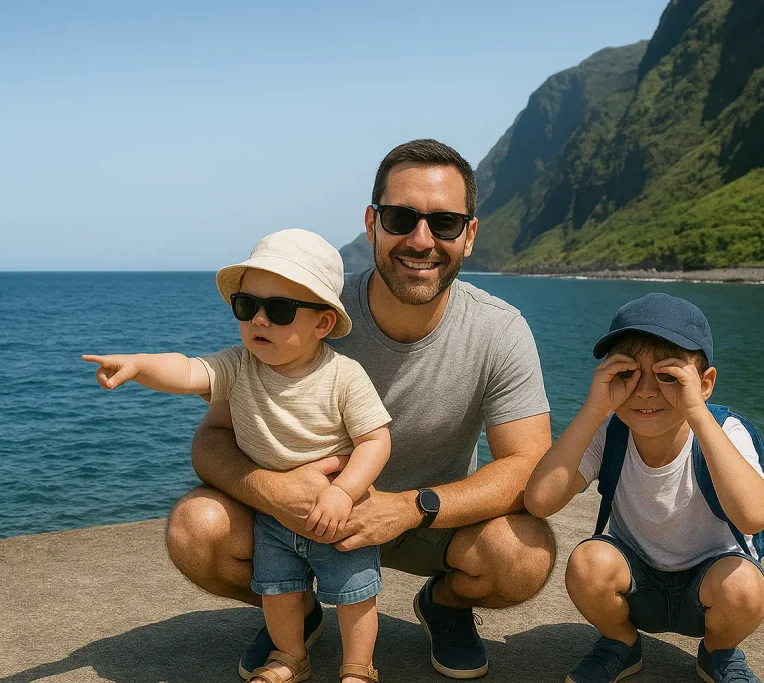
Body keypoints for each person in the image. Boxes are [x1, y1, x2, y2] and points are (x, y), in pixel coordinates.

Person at [165, 139, 556, 680]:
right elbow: (212, 440)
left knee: (524, 553)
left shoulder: (498, 330)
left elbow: (528, 466)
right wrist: (269, 491)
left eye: (444, 223)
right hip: (301, 520)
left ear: (469, 234)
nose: (421, 241)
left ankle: (445, 605)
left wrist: (409, 507)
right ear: (372, 224)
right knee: (195, 528)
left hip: (424, 523)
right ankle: (295, 614)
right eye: (401, 218)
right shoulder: (305, 309)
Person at [82, 229, 392, 683]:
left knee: (355, 594)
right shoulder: (238, 366)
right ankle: (291, 656)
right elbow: (188, 369)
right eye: (247, 306)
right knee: (279, 592)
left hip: (338, 512)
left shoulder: (343, 376)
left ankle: (359, 668)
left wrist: (345, 492)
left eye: (280, 310)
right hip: (272, 514)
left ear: (323, 324)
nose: (259, 320)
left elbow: (376, 440)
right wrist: (140, 365)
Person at [525, 293, 764, 683]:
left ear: (705, 383)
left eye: (668, 376)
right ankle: (620, 643)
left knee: (745, 585)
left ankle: (719, 652)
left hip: (711, 584)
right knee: (587, 563)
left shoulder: (726, 432)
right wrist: (595, 408)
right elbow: (540, 501)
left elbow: (755, 516)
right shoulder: (611, 433)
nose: (644, 391)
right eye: (627, 374)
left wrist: (696, 413)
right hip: (637, 581)